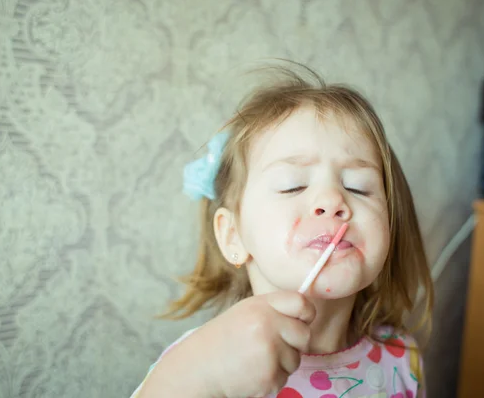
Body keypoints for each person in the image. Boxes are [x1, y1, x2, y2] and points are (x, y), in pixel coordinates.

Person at [132, 64, 434, 398]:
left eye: (358, 187)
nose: (332, 200)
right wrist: (198, 379)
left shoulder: (402, 357)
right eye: (293, 186)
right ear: (233, 235)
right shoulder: (204, 365)